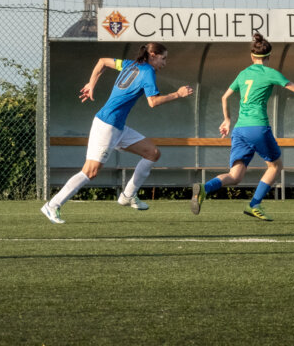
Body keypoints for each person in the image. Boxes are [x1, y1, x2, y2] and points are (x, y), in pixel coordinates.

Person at [41, 42, 194, 224]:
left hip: (117, 126)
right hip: (107, 126)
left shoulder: (129, 64)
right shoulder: (147, 72)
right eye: (163, 58)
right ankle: (52, 205)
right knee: (90, 171)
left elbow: (102, 62)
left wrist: (91, 84)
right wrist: (178, 94)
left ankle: (128, 195)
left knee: (153, 153)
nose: (165, 62)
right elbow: (153, 102)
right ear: (152, 55)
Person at [190, 32, 294, 221]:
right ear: (270, 57)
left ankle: (205, 189)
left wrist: (227, 120)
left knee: (235, 176)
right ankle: (254, 204)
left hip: (240, 129)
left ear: (251, 56)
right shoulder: (271, 73)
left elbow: (224, 97)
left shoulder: (243, 73)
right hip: (258, 127)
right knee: (275, 166)